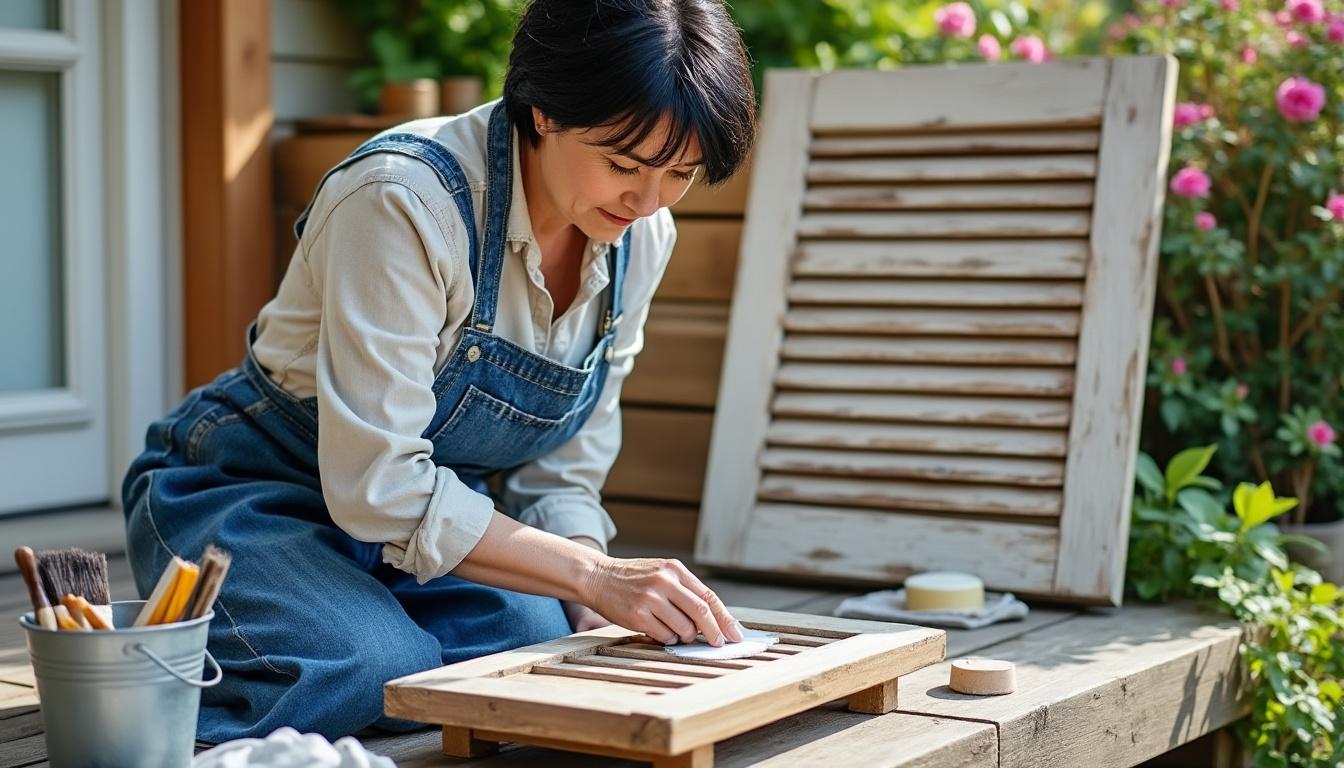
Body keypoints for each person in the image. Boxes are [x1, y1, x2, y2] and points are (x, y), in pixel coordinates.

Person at [121, 0, 757, 742]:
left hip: (422, 525)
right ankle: (137, 690)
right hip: (251, 492)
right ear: (544, 111)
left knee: (536, 646)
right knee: (365, 670)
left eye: (680, 173)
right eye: (623, 164)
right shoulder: (403, 199)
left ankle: (350, 631)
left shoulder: (640, 236)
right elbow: (379, 483)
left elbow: (561, 471)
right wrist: (592, 578)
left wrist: (587, 582)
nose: (647, 201)